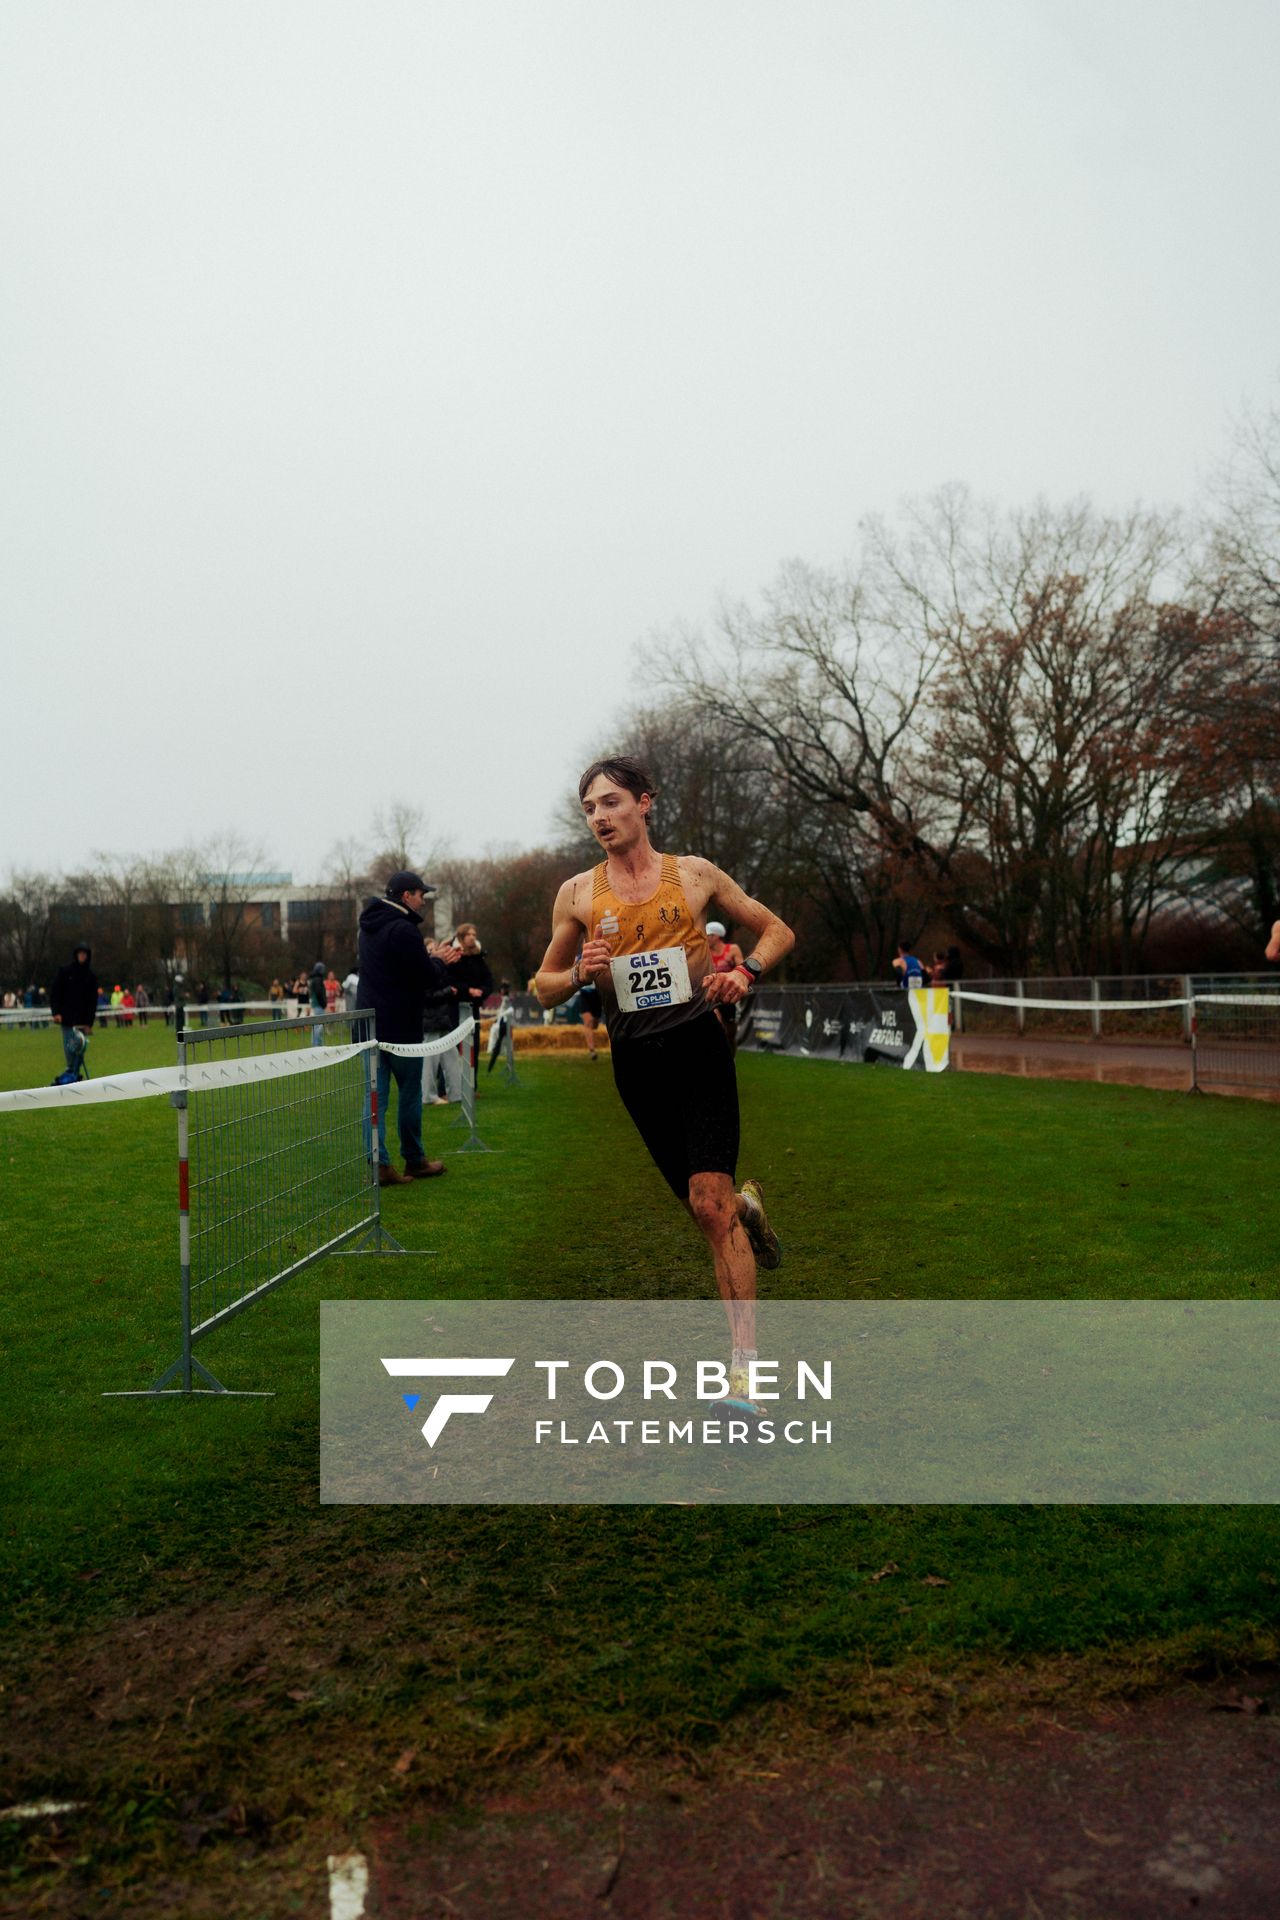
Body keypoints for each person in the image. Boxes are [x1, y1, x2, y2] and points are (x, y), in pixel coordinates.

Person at [535, 756, 794, 1410]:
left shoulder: (696, 875)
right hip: (635, 1061)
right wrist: (575, 975)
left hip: (697, 1046)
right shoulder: (576, 895)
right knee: (709, 1214)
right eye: (590, 807)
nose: (601, 816)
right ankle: (748, 1211)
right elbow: (542, 987)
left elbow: (776, 929)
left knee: (709, 1205)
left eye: (613, 802)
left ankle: (745, 1378)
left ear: (645, 803)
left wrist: (748, 973)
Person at [356, 871, 460, 1185]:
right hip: (400, 1027)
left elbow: (399, 968)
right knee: (410, 1096)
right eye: (420, 895)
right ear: (406, 896)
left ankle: (379, 1164)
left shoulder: (369, 928)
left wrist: (430, 958)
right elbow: (425, 977)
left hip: (368, 1024)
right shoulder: (404, 929)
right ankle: (414, 1159)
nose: (423, 900)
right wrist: (440, 962)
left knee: (375, 1099)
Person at [49, 940, 99, 1076]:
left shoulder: (91, 977)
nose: (82, 956)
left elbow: (93, 1002)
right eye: (80, 954)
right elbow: (55, 992)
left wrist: (89, 1023)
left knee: (80, 1047)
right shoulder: (65, 972)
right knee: (69, 1046)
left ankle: (75, 1072)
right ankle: (70, 1070)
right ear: (76, 955)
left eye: (85, 954)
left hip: (83, 1020)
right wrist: (56, 1012)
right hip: (67, 1018)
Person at [706, 919, 746, 1055]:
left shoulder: (732, 950)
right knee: (718, 1028)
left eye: (709, 935)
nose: (706, 938)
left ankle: (732, 1058)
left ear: (717, 936)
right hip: (713, 996)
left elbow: (742, 969)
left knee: (730, 1034)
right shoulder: (704, 952)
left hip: (730, 994)